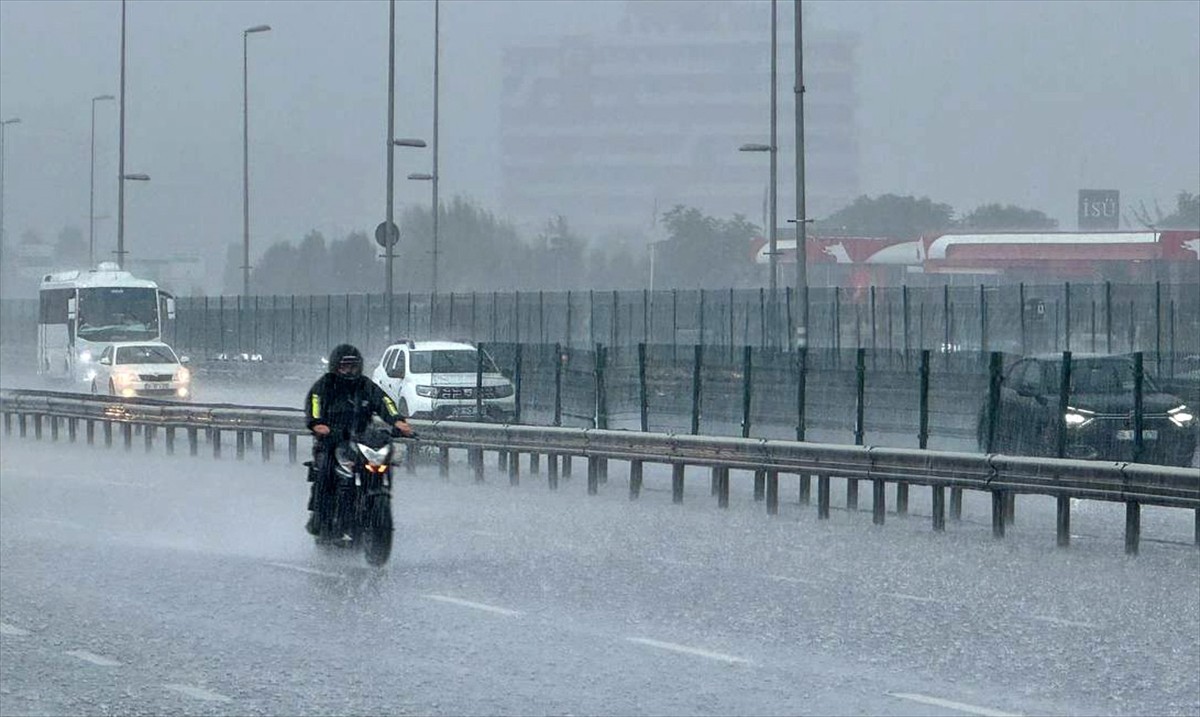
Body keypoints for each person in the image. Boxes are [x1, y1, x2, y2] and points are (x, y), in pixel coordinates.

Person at [304, 343, 412, 537]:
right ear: (336, 367)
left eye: (353, 366)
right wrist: (317, 423)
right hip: (332, 441)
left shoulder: (365, 385)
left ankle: (374, 504)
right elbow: (314, 403)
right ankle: (321, 516)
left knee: (383, 462)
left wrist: (398, 421)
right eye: (345, 366)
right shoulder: (325, 385)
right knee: (326, 471)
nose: (350, 370)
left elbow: (384, 402)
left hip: (363, 440)